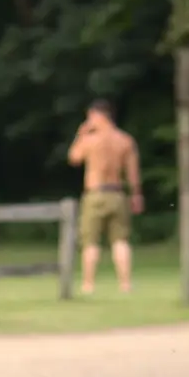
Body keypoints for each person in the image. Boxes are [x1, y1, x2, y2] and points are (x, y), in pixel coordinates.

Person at [68, 99, 144, 294]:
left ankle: (88, 284)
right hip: (117, 193)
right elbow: (133, 172)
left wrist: (81, 134)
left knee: (90, 242)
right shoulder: (125, 140)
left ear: (96, 115)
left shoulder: (90, 140)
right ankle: (126, 284)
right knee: (121, 241)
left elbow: (74, 158)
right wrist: (136, 194)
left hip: (95, 194)